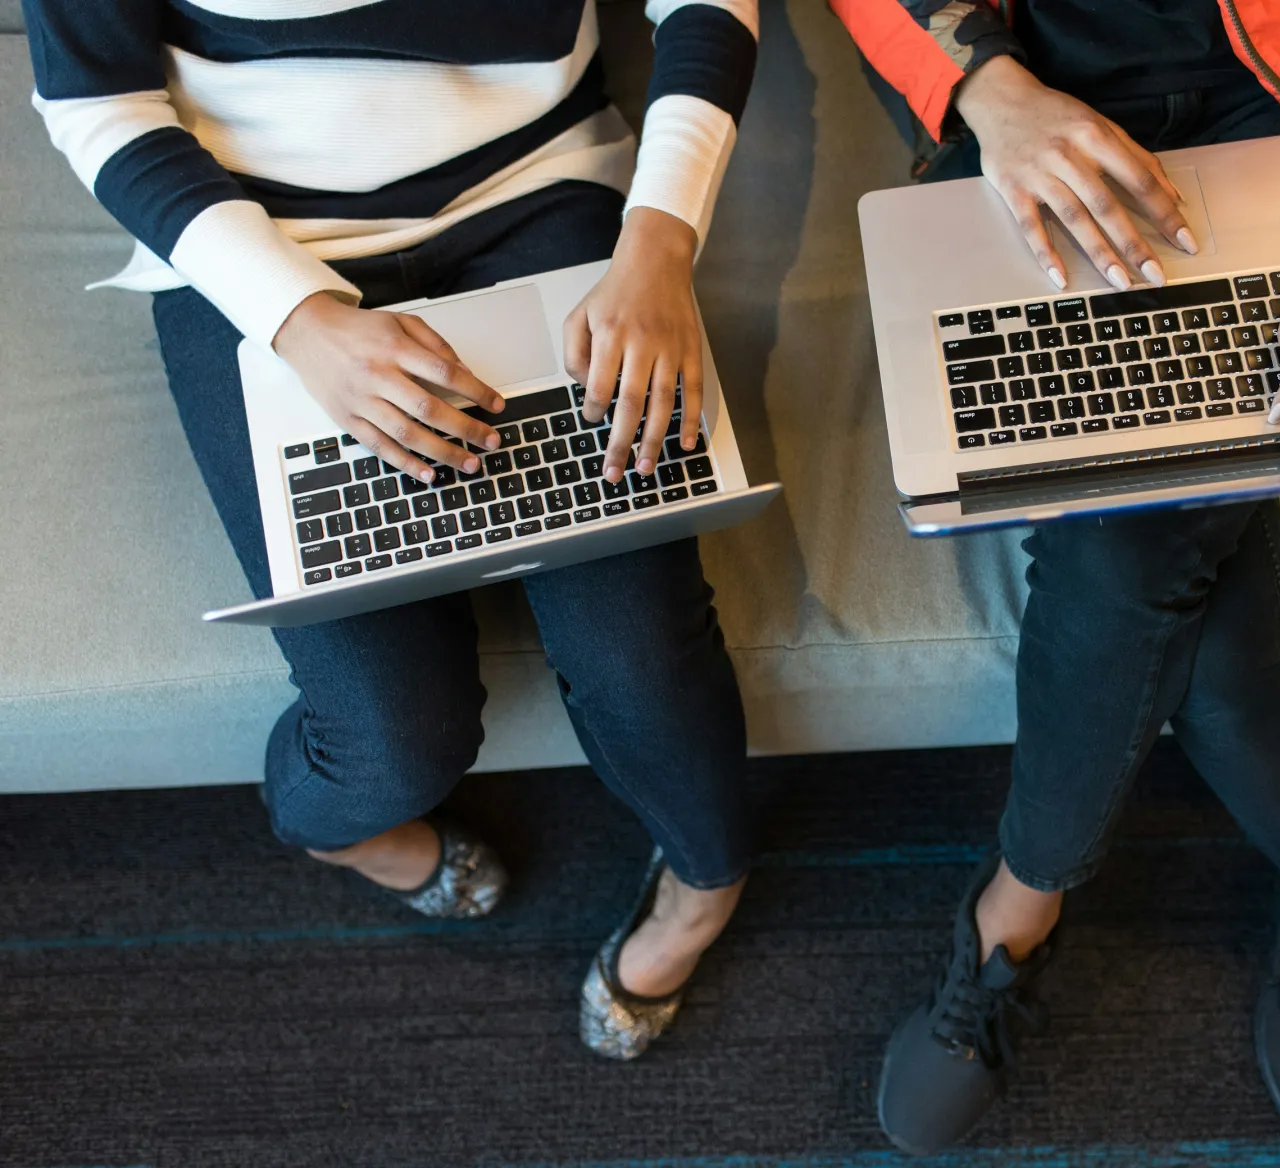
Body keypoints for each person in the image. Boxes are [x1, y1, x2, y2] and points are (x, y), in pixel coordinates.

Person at [23, 0, 760, 1061]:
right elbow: (99, 102)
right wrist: (297, 320)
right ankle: (347, 839)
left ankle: (705, 891)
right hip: (257, 232)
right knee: (388, 737)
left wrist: (659, 243)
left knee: (640, 653)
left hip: (537, 187)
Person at [831, 0, 1280, 1152]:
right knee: (1187, 574)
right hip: (1032, 115)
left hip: (1279, 114)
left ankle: (1021, 907)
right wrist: (990, 91)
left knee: (1126, 547)